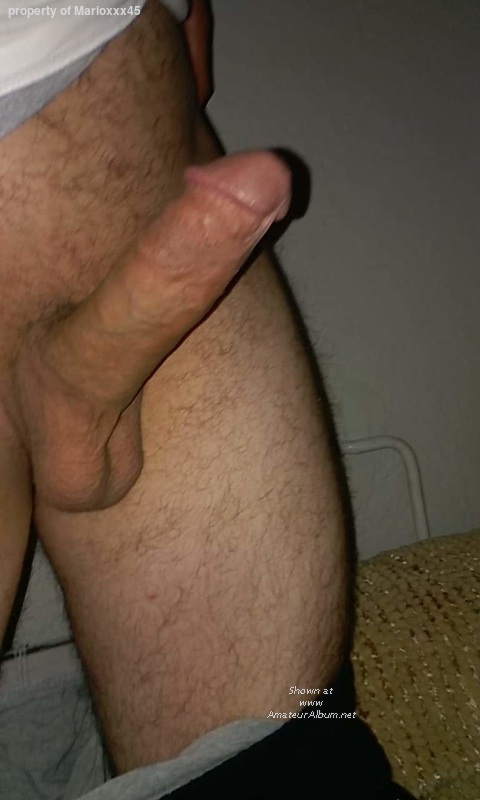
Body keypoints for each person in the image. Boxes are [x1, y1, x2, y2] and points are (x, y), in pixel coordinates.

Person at [0, 1, 416, 797]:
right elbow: (195, 68)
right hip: (112, 123)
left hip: (107, 124)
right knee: (288, 759)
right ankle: (76, 411)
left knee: (287, 757)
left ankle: (78, 412)